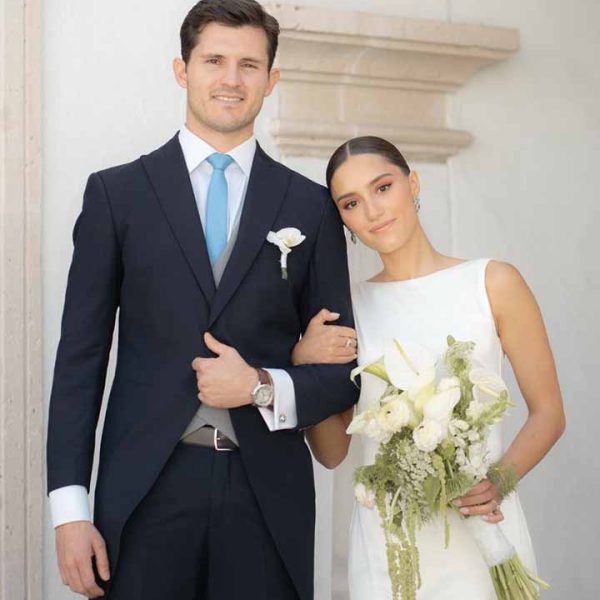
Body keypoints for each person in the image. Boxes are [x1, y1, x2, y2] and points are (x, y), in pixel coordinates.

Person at [46, 2, 359, 598]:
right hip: (144, 491)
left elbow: (342, 373)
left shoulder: (310, 206)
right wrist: (69, 510)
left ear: (271, 79)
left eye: (249, 65)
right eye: (214, 60)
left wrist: (262, 384)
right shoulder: (117, 195)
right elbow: (79, 362)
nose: (231, 79)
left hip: (267, 496)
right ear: (181, 69)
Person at [294, 136, 566, 598]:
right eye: (351, 203)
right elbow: (333, 453)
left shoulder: (492, 282)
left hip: (481, 531)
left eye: (383, 188)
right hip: (388, 547)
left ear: (413, 184)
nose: (373, 211)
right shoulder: (348, 312)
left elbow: (549, 414)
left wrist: (498, 482)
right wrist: (303, 365)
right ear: (343, 220)